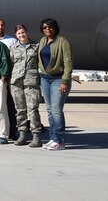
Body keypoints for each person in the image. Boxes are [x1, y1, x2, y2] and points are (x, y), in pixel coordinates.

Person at [38, 18, 73, 151]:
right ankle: (53, 139)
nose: (47, 29)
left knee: (57, 110)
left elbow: (68, 63)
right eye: (45, 27)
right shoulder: (43, 41)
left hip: (58, 79)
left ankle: (60, 141)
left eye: (50, 27)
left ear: (55, 28)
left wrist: (65, 81)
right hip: (45, 79)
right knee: (49, 110)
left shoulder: (62, 42)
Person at [9, 24, 42, 147]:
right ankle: (22, 134)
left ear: (26, 33)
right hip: (16, 83)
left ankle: (36, 136)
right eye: (18, 33)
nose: (21, 35)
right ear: (16, 35)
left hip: (31, 82)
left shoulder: (35, 47)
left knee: (33, 109)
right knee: (20, 110)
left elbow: (40, 64)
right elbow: (11, 64)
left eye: (23, 32)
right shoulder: (13, 48)